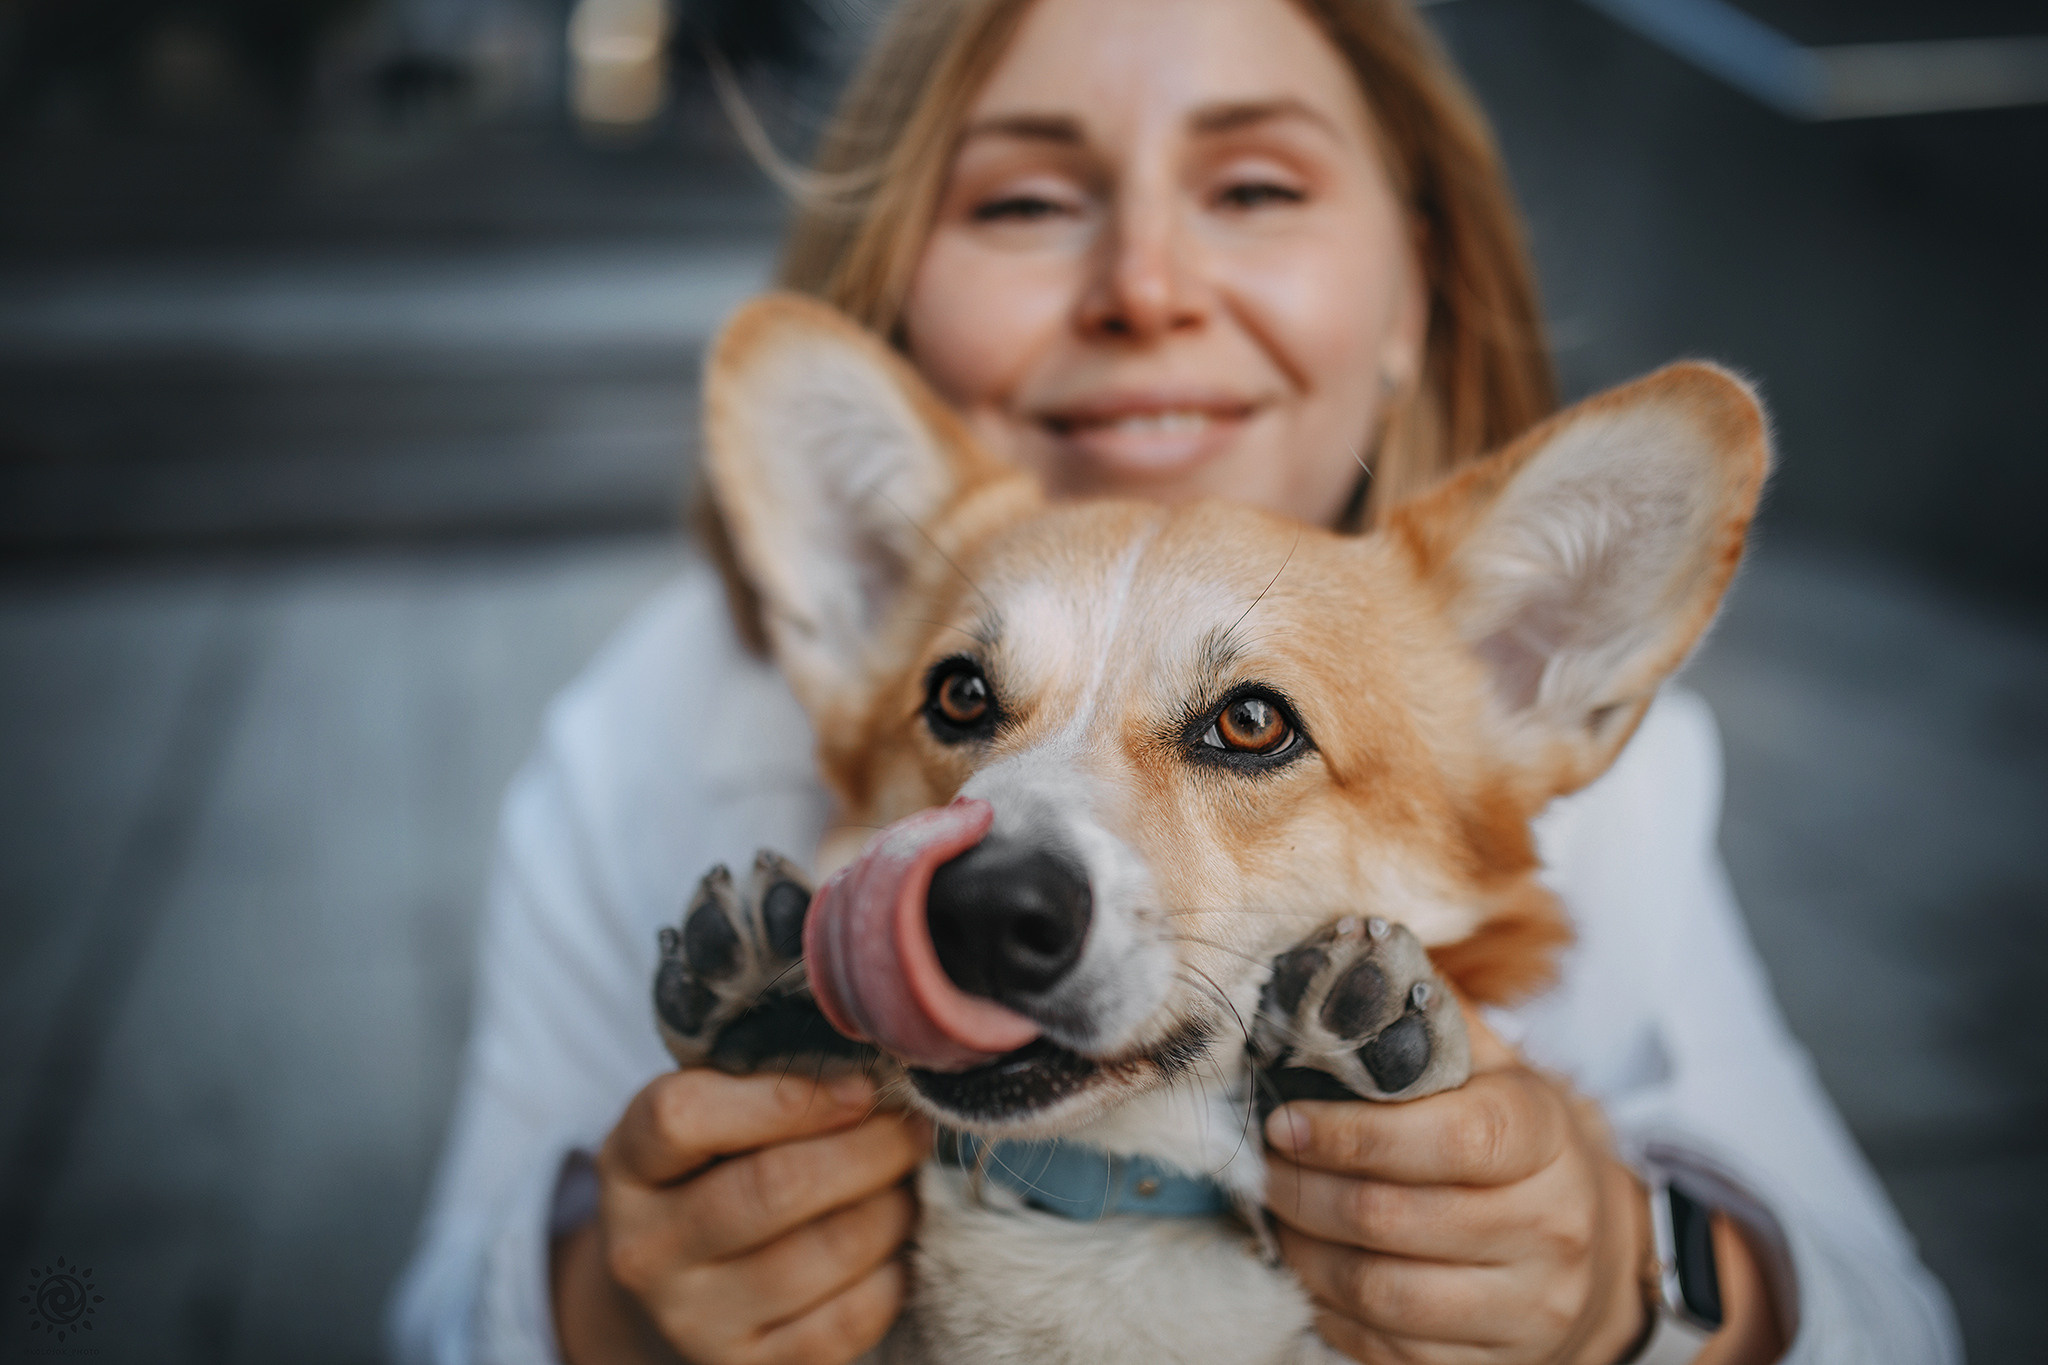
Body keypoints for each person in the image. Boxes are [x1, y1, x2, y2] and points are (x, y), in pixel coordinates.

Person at [389, 1, 1962, 1362]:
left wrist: (1629, 1284)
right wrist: (613, 1311)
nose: (1147, 282)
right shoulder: (649, 733)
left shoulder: (1510, 700)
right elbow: (438, 1324)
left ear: (1411, 294)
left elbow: (1895, 1323)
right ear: (903, 283)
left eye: (1245, 724)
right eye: (1022, 203)